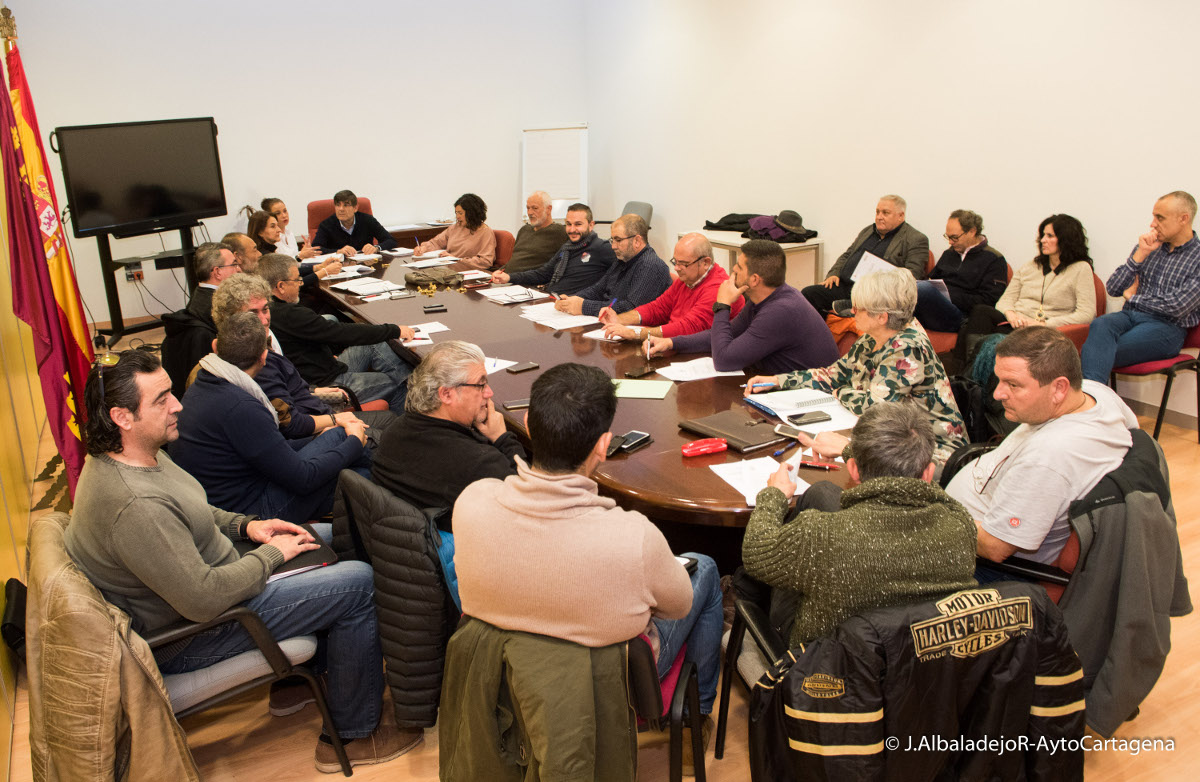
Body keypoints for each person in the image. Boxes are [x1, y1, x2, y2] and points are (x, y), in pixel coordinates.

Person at [65, 348, 419, 772]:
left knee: (335, 534)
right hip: (197, 630)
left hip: (223, 571)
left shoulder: (139, 456)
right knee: (359, 583)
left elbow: (196, 509)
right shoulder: (134, 504)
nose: (178, 404)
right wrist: (271, 555)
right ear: (123, 416)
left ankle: (303, 682)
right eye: (161, 399)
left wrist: (248, 527)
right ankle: (353, 734)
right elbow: (202, 598)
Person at [453, 362, 725, 761]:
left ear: (527, 423)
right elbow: (677, 606)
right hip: (613, 687)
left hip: (501, 681)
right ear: (603, 444)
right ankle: (691, 725)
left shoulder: (472, 501)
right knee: (705, 566)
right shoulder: (633, 535)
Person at [742, 401, 977, 646]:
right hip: (921, 667)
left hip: (827, 665)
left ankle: (739, 595)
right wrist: (849, 450)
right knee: (822, 492)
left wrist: (775, 494)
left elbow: (756, 552)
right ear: (928, 473)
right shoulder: (961, 524)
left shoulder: (820, 536)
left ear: (852, 469)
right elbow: (940, 496)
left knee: (789, 568)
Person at [945, 327, 1137, 574]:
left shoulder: (1049, 458)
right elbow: (1135, 431)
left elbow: (995, 547)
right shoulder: (1096, 392)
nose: (997, 393)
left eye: (1013, 384)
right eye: (1000, 379)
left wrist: (938, 518)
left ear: (1059, 388)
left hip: (984, 564)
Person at [747, 266, 967, 465]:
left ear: (882, 316)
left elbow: (875, 408)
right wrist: (778, 380)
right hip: (899, 440)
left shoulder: (907, 348)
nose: (852, 312)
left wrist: (839, 391)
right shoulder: (875, 336)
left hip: (931, 453)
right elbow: (834, 374)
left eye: (859, 308)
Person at [170, 311, 371, 523]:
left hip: (228, 497)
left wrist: (321, 437)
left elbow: (269, 451)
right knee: (344, 443)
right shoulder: (241, 405)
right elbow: (303, 479)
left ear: (215, 347)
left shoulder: (205, 381)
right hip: (250, 514)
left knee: (355, 472)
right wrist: (354, 442)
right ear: (264, 357)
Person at [211, 274, 396, 441]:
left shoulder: (267, 338)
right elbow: (289, 423)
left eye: (265, 309)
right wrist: (334, 419)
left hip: (314, 402)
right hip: (314, 426)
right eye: (253, 313)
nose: (264, 319)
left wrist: (313, 391)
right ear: (231, 319)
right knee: (393, 399)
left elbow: (284, 391)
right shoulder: (251, 358)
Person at [371, 341, 526, 509]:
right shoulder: (478, 462)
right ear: (446, 394)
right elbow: (527, 499)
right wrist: (502, 439)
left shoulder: (393, 431)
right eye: (480, 385)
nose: (489, 393)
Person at [646, 239, 838, 374]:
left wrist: (722, 305)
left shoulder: (781, 310)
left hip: (811, 399)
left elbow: (724, 360)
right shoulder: (762, 299)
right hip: (779, 388)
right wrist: (672, 342)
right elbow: (724, 334)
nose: (732, 272)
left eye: (738, 268)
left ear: (754, 279)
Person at [259, 253, 414, 413]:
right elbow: (340, 333)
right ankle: (411, 414)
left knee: (374, 343)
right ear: (281, 286)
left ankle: (413, 382)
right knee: (394, 383)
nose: (300, 284)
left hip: (325, 367)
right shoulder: (288, 314)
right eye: (297, 280)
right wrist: (394, 330)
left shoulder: (267, 310)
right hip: (326, 384)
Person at [949, 214, 1095, 372]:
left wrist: (1043, 324)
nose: (1043, 240)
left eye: (1049, 236)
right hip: (1015, 323)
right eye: (1042, 236)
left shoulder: (1081, 268)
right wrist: (1011, 314)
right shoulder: (1031, 266)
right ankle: (968, 374)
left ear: (1066, 239)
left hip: (1046, 329)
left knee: (989, 341)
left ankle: (968, 378)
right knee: (981, 311)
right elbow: (1005, 301)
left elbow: (1086, 313)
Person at [1081, 190, 1200, 382]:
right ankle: (1095, 404)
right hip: (1130, 316)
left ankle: (1091, 402)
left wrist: (1133, 298)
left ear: (1183, 219)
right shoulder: (1148, 247)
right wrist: (1139, 256)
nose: (1153, 224)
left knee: (1095, 352)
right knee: (1100, 324)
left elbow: (1176, 307)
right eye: (1153, 217)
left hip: (1167, 328)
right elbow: (1113, 288)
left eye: (1160, 218)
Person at [598, 232, 744, 342]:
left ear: (705, 262)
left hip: (697, 352)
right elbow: (658, 308)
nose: (677, 269)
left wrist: (634, 334)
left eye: (684, 264)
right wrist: (620, 319)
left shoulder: (717, 288)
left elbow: (686, 329)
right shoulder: (687, 278)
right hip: (674, 344)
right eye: (675, 262)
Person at [801, 195, 930, 316]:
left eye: (885, 213)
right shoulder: (868, 230)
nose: (879, 217)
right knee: (809, 293)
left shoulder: (916, 239)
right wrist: (834, 273)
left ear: (901, 216)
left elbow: (913, 277)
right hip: (847, 286)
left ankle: (854, 304)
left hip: (876, 294)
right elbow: (847, 255)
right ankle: (818, 336)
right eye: (877, 212)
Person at [554, 214, 671, 316]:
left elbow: (631, 309)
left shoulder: (650, 265)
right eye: (612, 240)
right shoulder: (622, 259)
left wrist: (583, 306)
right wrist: (573, 299)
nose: (613, 246)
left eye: (618, 240)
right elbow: (598, 289)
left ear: (637, 241)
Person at [162, 241, 238, 395]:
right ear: (217, 272)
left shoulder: (198, 299)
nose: (239, 269)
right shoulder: (222, 308)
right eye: (234, 265)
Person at [913, 209, 1008, 332]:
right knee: (905, 287)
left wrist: (948, 295)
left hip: (962, 316)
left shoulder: (994, 259)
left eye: (955, 237)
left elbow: (988, 301)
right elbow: (931, 279)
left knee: (922, 289)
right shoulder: (949, 253)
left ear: (972, 231)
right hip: (936, 308)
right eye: (948, 237)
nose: (950, 242)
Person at [491, 202, 614, 294]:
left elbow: (627, 273)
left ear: (591, 225)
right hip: (550, 300)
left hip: (573, 308)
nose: (572, 229)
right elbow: (543, 274)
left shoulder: (601, 248)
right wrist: (509, 277)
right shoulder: (566, 248)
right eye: (568, 224)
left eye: (578, 224)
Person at [413, 193, 496, 270]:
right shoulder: (456, 227)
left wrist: (456, 259)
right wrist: (423, 248)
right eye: (456, 213)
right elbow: (436, 242)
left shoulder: (485, 232)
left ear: (472, 213)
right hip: (451, 268)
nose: (457, 217)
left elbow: (485, 262)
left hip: (469, 271)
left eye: (460, 213)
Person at [312, 189, 399, 257]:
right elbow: (316, 249)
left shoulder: (367, 220)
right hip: (338, 269)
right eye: (338, 205)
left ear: (355, 208)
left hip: (367, 266)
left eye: (346, 205)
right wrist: (338, 251)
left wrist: (376, 248)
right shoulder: (327, 225)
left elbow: (391, 240)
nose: (341, 209)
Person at [504, 190, 568, 274]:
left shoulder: (559, 232)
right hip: (506, 278)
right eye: (528, 208)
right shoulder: (524, 230)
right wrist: (499, 271)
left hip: (528, 282)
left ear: (549, 209)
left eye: (535, 208)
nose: (530, 212)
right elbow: (515, 259)